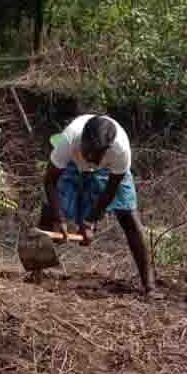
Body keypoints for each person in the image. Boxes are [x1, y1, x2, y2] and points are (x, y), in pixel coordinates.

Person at [39, 114, 156, 295]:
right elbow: (50, 181)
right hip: (72, 165)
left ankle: (149, 286)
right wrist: (60, 218)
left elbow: (110, 191)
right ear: (82, 141)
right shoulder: (68, 140)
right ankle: (36, 272)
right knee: (49, 210)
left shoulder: (121, 151)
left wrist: (89, 222)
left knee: (130, 217)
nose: (90, 159)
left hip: (108, 169)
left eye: (97, 155)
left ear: (107, 149)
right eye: (87, 152)